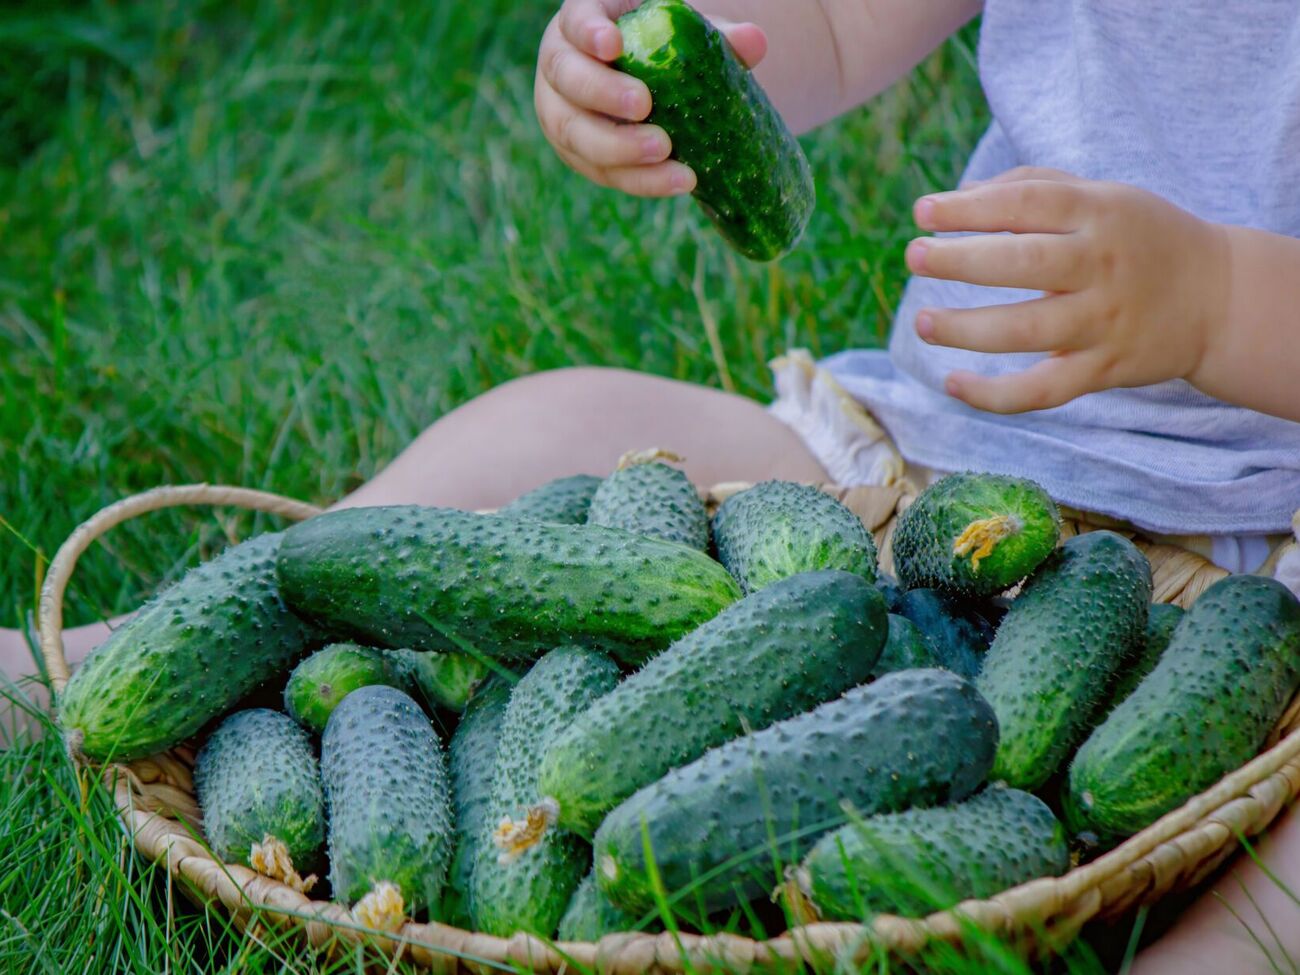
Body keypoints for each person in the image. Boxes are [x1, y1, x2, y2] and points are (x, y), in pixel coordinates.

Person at [3, 0, 1299, 969]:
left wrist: (1216, 302)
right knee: (567, 420)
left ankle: (1215, 954)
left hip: (1266, 546)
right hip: (917, 471)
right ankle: (101, 663)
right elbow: (837, 24)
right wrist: (680, 67)